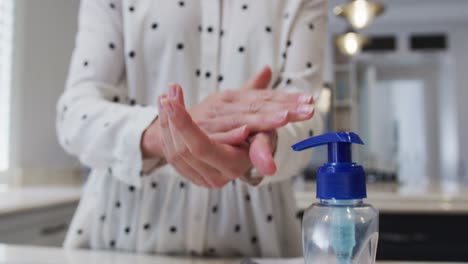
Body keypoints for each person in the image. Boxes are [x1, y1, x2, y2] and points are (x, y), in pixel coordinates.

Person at [56, 0, 326, 258]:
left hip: (256, 246)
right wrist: (162, 133)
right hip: (118, 242)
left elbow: (306, 114)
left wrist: (269, 138)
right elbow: (74, 112)